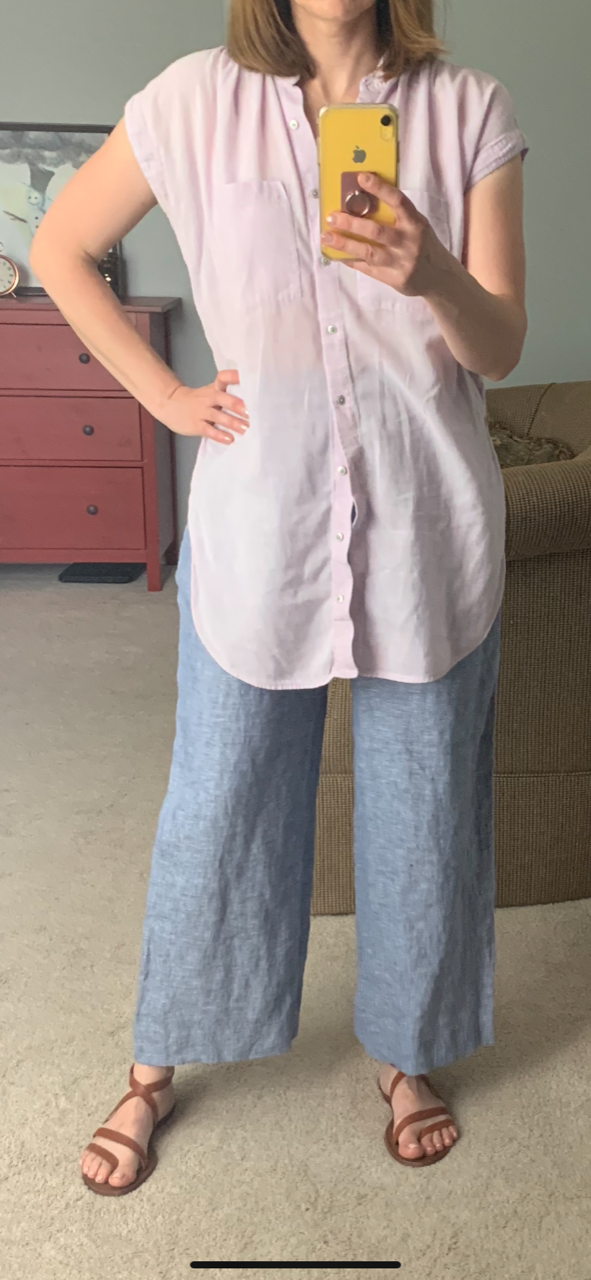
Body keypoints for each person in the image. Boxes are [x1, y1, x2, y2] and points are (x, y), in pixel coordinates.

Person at [30, 0, 529, 1194]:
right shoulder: (193, 100)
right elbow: (58, 247)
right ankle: (157, 1058)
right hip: (262, 528)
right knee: (217, 803)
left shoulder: (469, 109)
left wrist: (431, 268)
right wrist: (166, 398)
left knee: (424, 806)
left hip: (426, 523)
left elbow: (501, 345)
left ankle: (405, 1052)